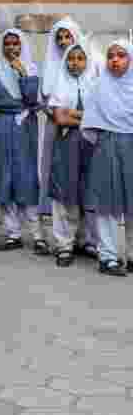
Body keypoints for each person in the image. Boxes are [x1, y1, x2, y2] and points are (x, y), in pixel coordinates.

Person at [0, 29, 45, 254]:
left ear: (23, 45)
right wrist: (14, 104)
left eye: (15, 44)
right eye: (7, 44)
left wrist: (23, 75)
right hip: (0, 129)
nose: (11, 48)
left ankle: (38, 235)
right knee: (4, 178)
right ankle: (12, 234)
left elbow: (32, 100)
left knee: (26, 178)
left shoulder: (32, 69)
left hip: (23, 129)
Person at [81, 40, 133, 277]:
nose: (115, 60)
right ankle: (108, 257)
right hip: (107, 144)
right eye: (111, 55)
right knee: (108, 204)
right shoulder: (99, 86)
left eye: (121, 55)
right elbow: (90, 125)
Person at [48, 42, 99, 266]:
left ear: (87, 61)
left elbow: (101, 117)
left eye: (80, 58)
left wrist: (74, 114)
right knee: (64, 192)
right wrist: (86, 117)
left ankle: (86, 240)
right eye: (71, 58)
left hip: (92, 146)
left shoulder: (96, 85)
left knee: (89, 192)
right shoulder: (60, 84)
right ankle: (64, 245)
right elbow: (60, 118)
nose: (75, 63)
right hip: (66, 145)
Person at [39, 17, 84, 218]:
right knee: (55, 172)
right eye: (60, 37)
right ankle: (59, 232)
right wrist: (57, 112)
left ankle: (85, 236)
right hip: (55, 126)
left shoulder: (88, 61)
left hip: (83, 129)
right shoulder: (50, 64)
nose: (64, 41)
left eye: (68, 36)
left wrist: (70, 113)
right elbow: (44, 101)